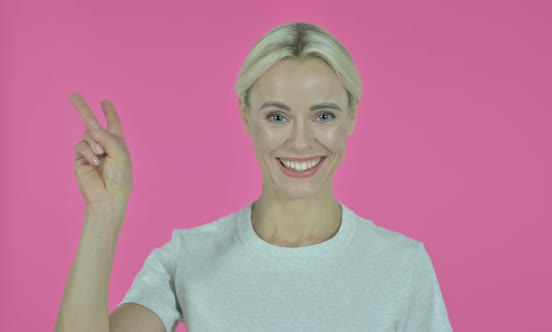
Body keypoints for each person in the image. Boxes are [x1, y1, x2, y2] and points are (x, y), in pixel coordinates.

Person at [55, 22, 453, 332]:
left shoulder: (402, 265)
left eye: (324, 115)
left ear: (352, 116)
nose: (300, 141)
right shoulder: (188, 257)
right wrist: (103, 212)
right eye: (277, 116)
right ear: (247, 116)